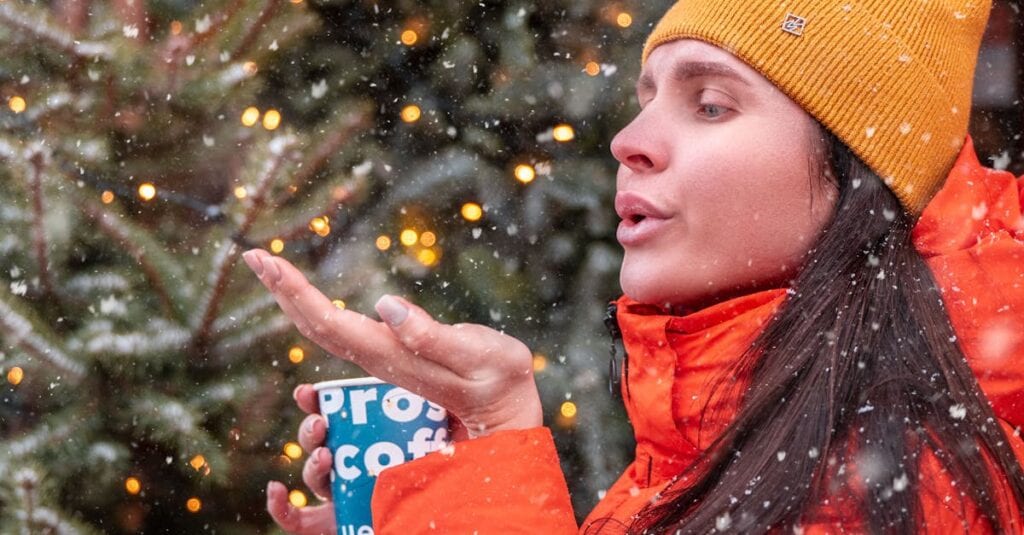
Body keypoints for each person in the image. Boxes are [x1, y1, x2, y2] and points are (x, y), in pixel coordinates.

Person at [244, 0, 1024, 532]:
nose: (630, 139)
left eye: (711, 104)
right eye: (646, 97)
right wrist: (449, 494)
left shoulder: (907, 484)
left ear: (861, 173)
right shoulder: (725, 433)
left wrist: (493, 444)